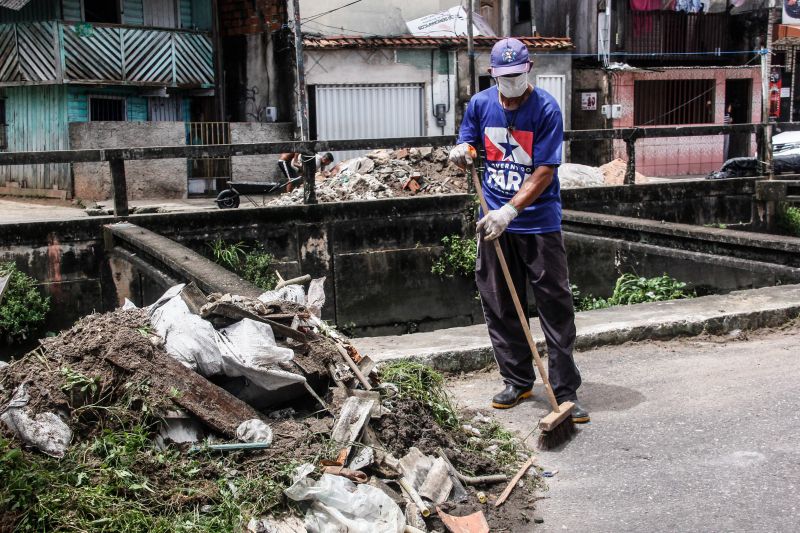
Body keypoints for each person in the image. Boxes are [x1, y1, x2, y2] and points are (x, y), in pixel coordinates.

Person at [449, 38, 589, 423]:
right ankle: (517, 380)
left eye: (518, 74)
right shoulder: (480, 104)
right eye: (504, 76)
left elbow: (545, 171)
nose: (511, 82)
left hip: (537, 222)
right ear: (493, 74)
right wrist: (462, 152)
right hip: (493, 223)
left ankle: (564, 392)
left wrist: (510, 211)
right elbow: (470, 144)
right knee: (499, 303)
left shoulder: (546, 108)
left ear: (529, 69)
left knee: (555, 307)